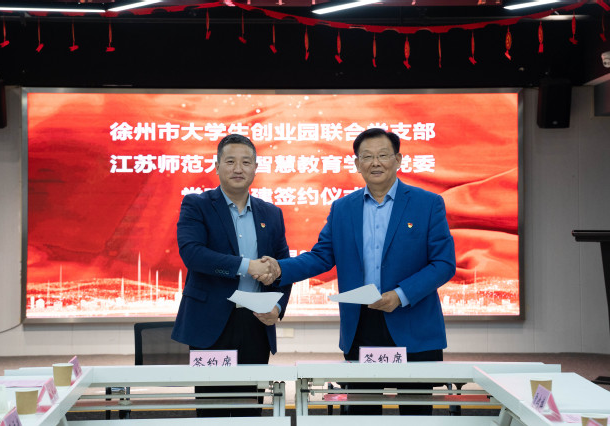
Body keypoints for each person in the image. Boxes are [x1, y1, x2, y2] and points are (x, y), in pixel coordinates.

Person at [263, 127, 456, 415]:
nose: (375, 163)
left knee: (416, 413)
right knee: (361, 412)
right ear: (357, 164)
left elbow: (443, 263)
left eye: (383, 155)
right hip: (362, 325)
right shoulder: (343, 208)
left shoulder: (427, 204)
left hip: (413, 323)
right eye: (367, 157)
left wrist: (400, 295)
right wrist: (279, 268)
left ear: (398, 160)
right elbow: (321, 256)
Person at [171, 133, 291, 417]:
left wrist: (277, 306)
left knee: (249, 411)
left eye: (246, 162)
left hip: (255, 324)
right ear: (217, 166)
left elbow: (284, 268)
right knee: (212, 411)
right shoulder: (197, 205)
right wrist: (247, 266)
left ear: (255, 168)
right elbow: (193, 254)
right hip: (211, 325)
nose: (238, 169)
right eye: (230, 161)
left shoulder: (271, 213)